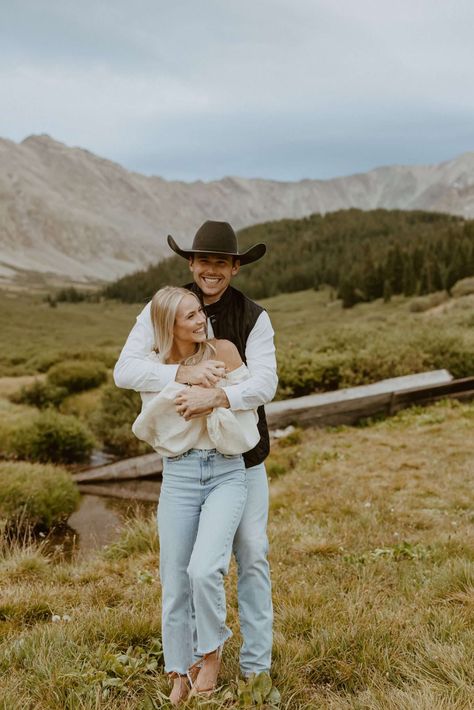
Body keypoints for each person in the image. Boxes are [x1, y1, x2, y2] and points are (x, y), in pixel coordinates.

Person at [114, 220, 277, 685]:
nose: (211, 270)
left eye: (221, 262)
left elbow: (265, 383)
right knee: (183, 567)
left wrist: (220, 396)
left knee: (252, 554)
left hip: (243, 458)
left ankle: (256, 669)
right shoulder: (163, 306)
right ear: (191, 263)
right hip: (186, 457)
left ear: (235, 268)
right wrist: (179, 377)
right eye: (204, 260)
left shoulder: (254, 317)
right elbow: (126, 368)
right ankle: (189, 662)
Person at [130, 285, 260, 704]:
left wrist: (215, 399)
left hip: (225, 471)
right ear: (170, 325)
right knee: (174, 578)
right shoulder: (156, 367)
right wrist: (183, 385)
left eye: (199, 311)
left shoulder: (224, 352)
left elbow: (247, 417)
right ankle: (177, 668)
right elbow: (154, 427)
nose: (201, 318)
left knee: (204, 570)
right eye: (189, 316)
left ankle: (210, 652)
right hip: (180, 473)